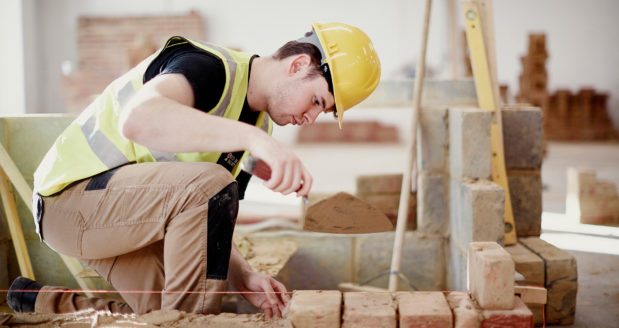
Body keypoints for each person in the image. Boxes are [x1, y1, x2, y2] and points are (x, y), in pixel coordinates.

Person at [7, 22, 380, 317]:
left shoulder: (258, 126)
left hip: (122, 219)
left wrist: (244, 276)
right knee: (192, 306)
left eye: (323, 111)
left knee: (161, 314)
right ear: (298, 64)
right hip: (70, 203)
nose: (312, 118)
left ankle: (41, 302)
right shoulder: (210, 68)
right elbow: (138, 120)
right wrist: (258, 142)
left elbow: (209, 215)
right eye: (317, 100)